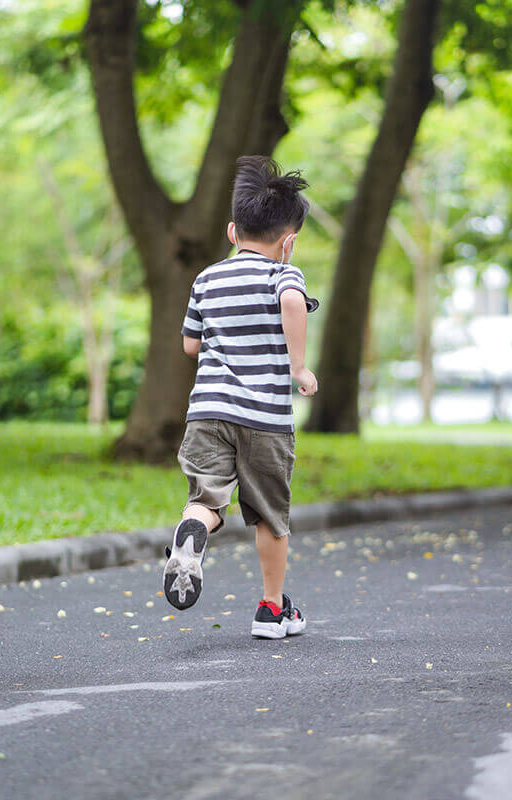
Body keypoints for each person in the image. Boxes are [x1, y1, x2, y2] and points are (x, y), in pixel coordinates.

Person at [162, 155, 319, 640]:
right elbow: (293, 302)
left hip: (208, 412)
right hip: (265, 418)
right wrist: (298, 366)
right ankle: (272, 609)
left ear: (232, 232)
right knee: (270, 517)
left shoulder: (207, 278)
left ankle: (192, 533)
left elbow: (190, 345)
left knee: (206, 498)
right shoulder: (283, 275)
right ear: (289, 242)